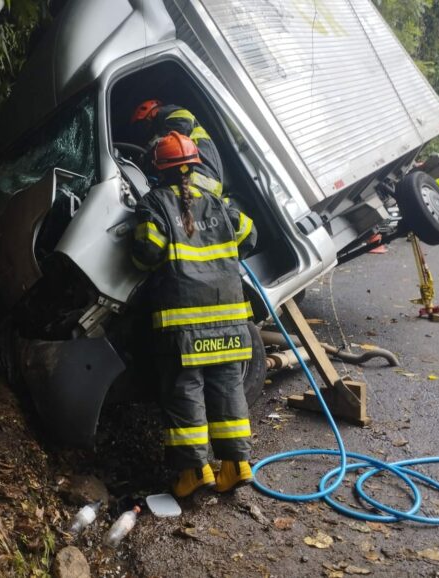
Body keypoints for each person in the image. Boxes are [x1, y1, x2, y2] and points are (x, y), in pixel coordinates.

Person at [131, 131, 258, 498]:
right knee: (227, 386)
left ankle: (194, 471)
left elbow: (147, 252)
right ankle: (236, 466)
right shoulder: (221, 204)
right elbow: (249, 237)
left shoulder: (153, 203)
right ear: (194, 165)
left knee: (185, 389)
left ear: (158, 171)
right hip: (231, 316)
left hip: (182, 321)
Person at [130, 100, 224, 198]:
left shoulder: (174, 113)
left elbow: (172, 136)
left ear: (152, 113)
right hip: (202, 184)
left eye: (145, 123)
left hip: (199, 181)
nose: (148, 128)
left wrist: (147, 157)